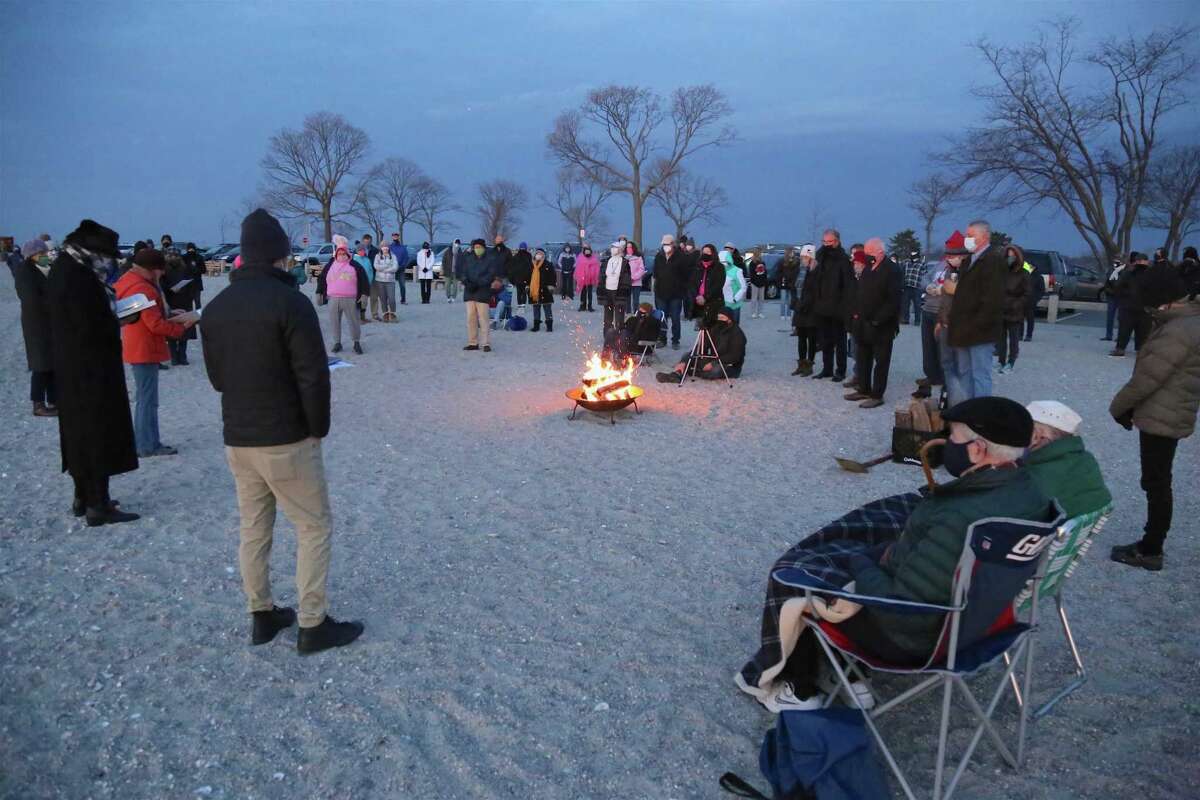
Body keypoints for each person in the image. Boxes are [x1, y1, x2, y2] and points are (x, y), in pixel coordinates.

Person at [741, 397, 1050, 711]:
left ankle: (796, 689)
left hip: (913, 639)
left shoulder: (961, 518)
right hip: (982, 622)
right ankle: (846, 675)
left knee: (794, 572)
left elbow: (902, 610)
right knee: (868, 535)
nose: (946, 444)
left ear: (978, 449)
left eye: (954, 437)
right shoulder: (1029, 493)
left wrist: (860, 562)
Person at [201, 209, 363, 653]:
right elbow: (313, 374)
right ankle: (312, 623)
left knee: (255, 527)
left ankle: (261, 613)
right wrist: (317, 429)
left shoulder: (216, 307)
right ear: (280, 256)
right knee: (313, 526)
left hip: (239, 436)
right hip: (285, 436)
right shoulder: (290, 303)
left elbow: (217, 378)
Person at [46, 221, 141, 526]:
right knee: (98, 432)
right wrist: (121, 320)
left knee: (78, 433)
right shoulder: (79, 275)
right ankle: (97, 504)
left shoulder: (65, 266)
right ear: (94, 251)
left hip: (71, 367)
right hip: (90, 368)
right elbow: (88, 324)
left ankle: (83, 496)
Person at [1109, 270, 1199, 571]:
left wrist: (1119, 407)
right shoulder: (1184, 322)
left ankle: (1151, 549)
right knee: (1158, 481)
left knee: (1157, 482)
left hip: (1164, 414)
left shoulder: (1178, 330)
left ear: (1165, 302)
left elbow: (1148, 377)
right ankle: (1151, 544)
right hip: (1169, 410)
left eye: (1152, 306)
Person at [114, 248, 197, 456]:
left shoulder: (126, 280)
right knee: (148, 400)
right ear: (153, 269)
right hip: (145, 347)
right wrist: (182, 326)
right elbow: (154, 325)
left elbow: (142, 316)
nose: (162, 275)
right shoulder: (145, 289)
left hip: (135, 344)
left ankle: (145, 443)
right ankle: (147, 445)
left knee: (145, 398)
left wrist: (169, 314)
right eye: (160, 270)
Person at [944, 219, 1007, 402]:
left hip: (980, 331)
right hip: (963, 328)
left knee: (980, 373)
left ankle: (981, 414)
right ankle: (968, 407)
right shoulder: (969, 260)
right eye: (967, 236)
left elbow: (992, 299)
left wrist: (979, 324)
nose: (967, 239)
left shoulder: (993, 260)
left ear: (985, 236)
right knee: (965, 371)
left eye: (971, 236)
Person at [1022, 401, 1113, 518]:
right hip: (1075, 530)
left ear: (1036, 436)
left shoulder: (1033, 476)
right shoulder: (1087, 459)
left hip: (1047, 532)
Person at [843, 239, 901, 409]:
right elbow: (860, 292)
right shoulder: (868, 269)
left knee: (881, 361)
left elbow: (894, 300)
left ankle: (877, 394)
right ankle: (864, 388)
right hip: (862, 322)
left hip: (881, 325)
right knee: (863, 358)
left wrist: (878, 319)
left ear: (880, 252)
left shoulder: (892, 270)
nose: (867, 256)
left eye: (870, 253)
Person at [14, 239, 57, 416]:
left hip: (46, 324)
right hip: (37, 325)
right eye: (43, 254)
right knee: (40, 365)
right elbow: (32, 300)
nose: (46, 256)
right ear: (32, 255)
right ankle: (38, 404)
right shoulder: (25, 272)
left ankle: (54, 400)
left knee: (51, 363)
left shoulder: (39, 270)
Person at [655, 309, 746, 381]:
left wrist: (714, 363)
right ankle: (677, 374)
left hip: (730, 365)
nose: (720, 320)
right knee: (687, 356)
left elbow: (734, 356)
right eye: (718, 317)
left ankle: (690, 371)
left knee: (715, 371)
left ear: (729, 319)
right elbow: (702, 346)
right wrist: (685, 360)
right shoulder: (715, 328)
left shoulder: (737, 334)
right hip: (714, 358)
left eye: (722, 318)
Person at [316, 238, 370, 355]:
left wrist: (365, 294)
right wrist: (319, 292)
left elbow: (364, 280)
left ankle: (356, 342)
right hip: (333, 298)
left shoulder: (355, 265)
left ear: (347, 254)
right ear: (336, 254)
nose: (341, 255)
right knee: (335, 322)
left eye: (343, 253)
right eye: (339, 253)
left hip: (350, 299)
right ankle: (337, 343)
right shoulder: (330, 265)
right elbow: (321, 279)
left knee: (353, 322)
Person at [810, 229, 851, 381]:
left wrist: (845, 306)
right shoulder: (819, 256)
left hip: (838, 307)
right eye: (824, 242)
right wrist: (812, 269)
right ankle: (827, 369)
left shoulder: (843, 259)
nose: (826, 245)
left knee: (840, 341)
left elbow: (848, 284)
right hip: (821, 306)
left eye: (830, 242)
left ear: (837, 241)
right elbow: (813, 279)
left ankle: (840, 370)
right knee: (825, 340)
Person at [162, 246, 204, 365]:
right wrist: (170, 289)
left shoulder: (185, 268)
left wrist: (188, 292)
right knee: (170, 330)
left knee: (186, 330)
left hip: (185, 301)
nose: (173, 258)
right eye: (171, 256)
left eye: (176, 256)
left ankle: (182, 355)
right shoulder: (164, 270)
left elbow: (192, 282)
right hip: (170, 302)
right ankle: (174, 356)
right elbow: (160, 286)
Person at [461, 238, 502, 351]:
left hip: (482, 292)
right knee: (471, 318)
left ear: (484, 248)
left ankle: (486, 343)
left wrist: (479, 283)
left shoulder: (490, 260)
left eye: (479, 247)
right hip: (470, 292)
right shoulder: (468, 259)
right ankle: (473, 342)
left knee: (483, 318)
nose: (477, 249)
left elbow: (490, 275)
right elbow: (463, 273)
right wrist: (467, 282)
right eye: (475, 247)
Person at [996, 244, 1029, 374]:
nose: (1010, 258)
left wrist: (1017, 304)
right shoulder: (1002, 272)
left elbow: (1027, 293)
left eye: (1012, 256)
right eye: (1008, 255)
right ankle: (1001, 361)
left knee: (1014, 339)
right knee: (1001, 338)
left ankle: (1011, 362)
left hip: (1015, 310)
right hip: (1001, 309)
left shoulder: (1023, 273)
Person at [1110, 252, 1150, 357]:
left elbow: (1117, 287)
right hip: (1144, 307)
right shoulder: (1151, 274)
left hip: (1128, 305)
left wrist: (1124, 295)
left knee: (1124, 329)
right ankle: (1141, 350)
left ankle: (1120, 349)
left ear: (1136, 262)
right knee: (1142, 331)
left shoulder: (1128, 273)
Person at [652, 234, 689, 349]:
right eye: (664, 245)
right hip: (661, 293)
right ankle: (662, 339)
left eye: (668, 244)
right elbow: (655, 273)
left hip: (676, 294)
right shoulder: (659, 256)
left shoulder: (681, 257)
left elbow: (685, 275)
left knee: (675, 318)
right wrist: (655, 287)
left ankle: (675, 340)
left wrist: (681, 288)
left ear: (673, 245)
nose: (666, 246)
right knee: (661, 318)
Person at [790, 244, 819, 376]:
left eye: (807, 256)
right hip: (799, 308)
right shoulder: (798, 269)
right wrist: (795, 303)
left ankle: (809, 364)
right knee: (801, 338)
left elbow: (815, 291)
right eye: (803, 256)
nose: (804, 259)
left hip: (811, 310)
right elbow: (794, 287)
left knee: (812, 339)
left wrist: (806, 304)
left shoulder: (815, 271)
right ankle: (801, 364)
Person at [688, 243, 726, 326]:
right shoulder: (697, 267)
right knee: (701, 328)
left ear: (713, 253)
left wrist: (705, 297)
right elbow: (692, 283)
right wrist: (697, 296)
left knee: (713, 328)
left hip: (713, 302)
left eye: (708, 252)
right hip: (698, 302)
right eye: (704, 252)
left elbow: (718, 285)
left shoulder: (719, 267)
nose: (705, 254)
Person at [601, 240, 633, 334]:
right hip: (607, 291)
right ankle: (607, 335)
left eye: (615, 247)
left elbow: (627, 278)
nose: (613, 249)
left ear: (620, 249)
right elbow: (602, 276)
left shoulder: (624, 262)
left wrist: (625, 291)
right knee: (607, 316)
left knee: (619, 316)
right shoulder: (606, 261)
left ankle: (619, 336)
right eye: (612, 247)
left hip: (619, 292)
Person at [529, 247, 556, 332]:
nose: (538, 255)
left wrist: (551, 285)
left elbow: (553, 276)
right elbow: (528, 276)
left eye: (540, 254)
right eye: (537, 254)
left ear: (543, 255)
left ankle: (549, 325)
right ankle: (536, 325)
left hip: (545, 290)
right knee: (536, 308)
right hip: (535, 290)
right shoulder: (532, 265)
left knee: (547, 308)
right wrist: (527, 285)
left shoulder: (548, 264)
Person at [1101, 256, 1125, 342]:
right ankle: (1108, 335)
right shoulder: (1111, 271)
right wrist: (1109, 291)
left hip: (1121, 297)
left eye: (1117, 262)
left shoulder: (1125, 272)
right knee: (1110, 317)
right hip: (1111, 296)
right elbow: (1107, 283)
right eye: (1114, 261)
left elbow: (1124, 284)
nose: (1115, 263)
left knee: (1121, 318)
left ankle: (1120, 336)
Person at [373, 243, 400, 321]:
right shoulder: (377, 256)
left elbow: (395, 268)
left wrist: (384, 270)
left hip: (390, 280)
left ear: (388, 248)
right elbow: (376, 266)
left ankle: (393, 313)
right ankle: (385, 314)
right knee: (383, 299)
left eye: (386, 247)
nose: (385, 249)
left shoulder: (393, 256)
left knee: (391, 298)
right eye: (383, 247)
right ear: (381, 248)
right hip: (380, 281)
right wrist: (387, 266)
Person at [720, 248, 747, 324]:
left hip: (734, 305)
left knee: (734, 326)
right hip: (722, 304)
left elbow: (743, 287)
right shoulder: (718, 271)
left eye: (724, 262)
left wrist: (735, 299)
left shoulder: (737, 271)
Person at [900, 252, 924, 325]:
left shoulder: (921, 264)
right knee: (905, 304)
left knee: (917, 304)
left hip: (917, 287)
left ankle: (917, 320)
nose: (913, 257)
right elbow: (902, 273)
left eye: (915, 255)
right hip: (907, 286)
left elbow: (925, 275)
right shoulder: (906, 263)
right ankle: (905, 319)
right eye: (912, 255)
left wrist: (923, 286)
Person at [574, 244, 599, 312]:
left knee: (590, 293)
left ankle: (590, 306)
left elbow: (596, 268)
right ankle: (582, 306)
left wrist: (595, 276)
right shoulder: (580, 257)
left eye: (588, 251)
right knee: (583, 293)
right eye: (586, 251)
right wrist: (578, 276)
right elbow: (578, 268)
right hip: (583, 278)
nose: (587, 252)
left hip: (590, 278)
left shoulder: (594, 258)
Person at [508, 242, 533, 307]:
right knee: (524, 292)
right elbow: (530, 268)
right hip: (526, 278)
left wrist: (512, 280)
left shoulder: (515, 257)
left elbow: (511, 269)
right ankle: (523, 305)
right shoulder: (529, 256)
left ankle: (519, 305)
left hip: (517, 278)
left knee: (519, 292)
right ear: (526, 248)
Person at [388, 233, 409, 304]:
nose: (395, 237)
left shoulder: (403, 247)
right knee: (390, 286)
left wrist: (402, 265)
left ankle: (403, 299)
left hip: (401, 269)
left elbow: (406, 257)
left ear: (398, 237)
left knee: (402, 285)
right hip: (392, 269)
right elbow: (387, 257)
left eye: (396, 236)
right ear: (392, 237)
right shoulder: (390, 247)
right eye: (394, 236)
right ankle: (390, 300)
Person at [626, 241, 646, 311]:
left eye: (630, 247)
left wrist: (633, 277)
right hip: (626, 282)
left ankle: (636, 314)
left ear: (633, 248)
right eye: (627, 247)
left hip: (637, 283)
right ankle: (627, 314)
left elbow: (641, 269)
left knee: (636, 301)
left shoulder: (638, 258)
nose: (628, 248)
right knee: (627, 301)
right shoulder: (624, 258)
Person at [748, 254, 769, 318]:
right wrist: (755, 281)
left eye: (760, 254)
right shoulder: (752, 263)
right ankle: (753, 313)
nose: (759, 256)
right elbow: (751, 274)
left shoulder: (763, 263)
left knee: (761, 299)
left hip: (762, 283)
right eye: (758, 254)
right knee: (754, 299)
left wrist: (764, 281)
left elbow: (765, 272)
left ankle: (760, 313)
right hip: (755, 283)